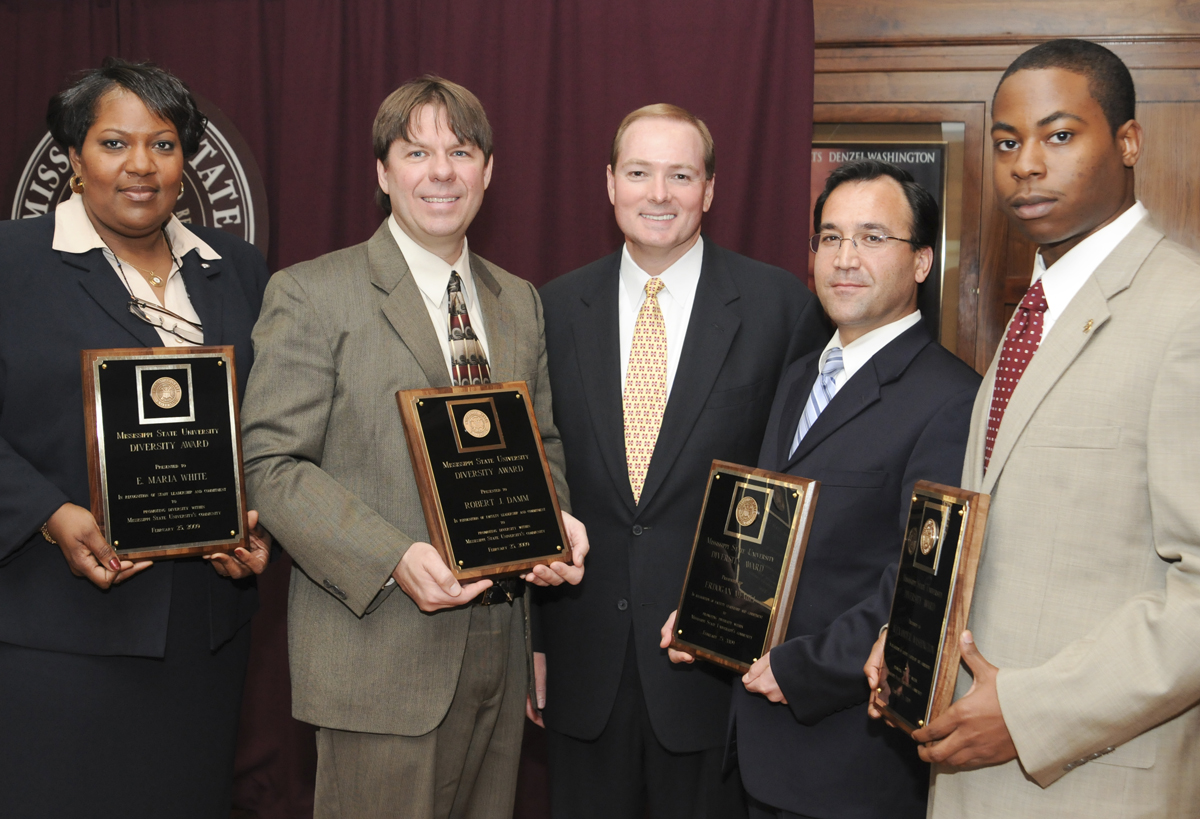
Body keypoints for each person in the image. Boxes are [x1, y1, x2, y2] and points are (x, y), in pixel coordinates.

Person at [864, 39, 1200, 817]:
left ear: (1128, 142)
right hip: (974, 776)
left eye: (1058, 135)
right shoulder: (1035, 311)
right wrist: (915, 640)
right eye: (1008, 141)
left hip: (1094, 782)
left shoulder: (1182, 312)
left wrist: (1029, 712)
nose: (1024, 164)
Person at [239, 76, 588, 819]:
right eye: (417, 151)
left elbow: (543, 441)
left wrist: (557, 519)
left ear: (488, 170)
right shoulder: (312, 292)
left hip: (500, 650)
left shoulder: (518, 299)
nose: (441, 172)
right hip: (380, 654)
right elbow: (271, 464)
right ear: (382, 171)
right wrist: (393, 556)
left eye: (461, 151)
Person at [536, 103, 828, 819]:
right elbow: (541, 476)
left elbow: (798, 476)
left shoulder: (781, 305)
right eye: (639, 172)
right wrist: (533, 640)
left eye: (679, 174)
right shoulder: (549, 307)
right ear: (609, 183)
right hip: (581, 662)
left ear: (711, 189)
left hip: (713, 669)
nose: (658, 193)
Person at [665, 159, 980, 819]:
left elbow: (919, 585)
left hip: (847, 760)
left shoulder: (951, 398)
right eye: (829, 237)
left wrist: (806, 668)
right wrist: (710, 615)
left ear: (922, 262)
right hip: (758, 747)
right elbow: (770, 525)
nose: (844, 258)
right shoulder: (804, 372)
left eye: (872, 238)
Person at [0, 58, 272, 819]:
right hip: (57, 628)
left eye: (163, 144)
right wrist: (51, 514)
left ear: (187, 158)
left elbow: (267, 425)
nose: (141, 167)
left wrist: (259, 521)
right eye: (115, 144)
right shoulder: (11, 263)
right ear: (73, 157)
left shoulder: (238, 270)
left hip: (202, 633)